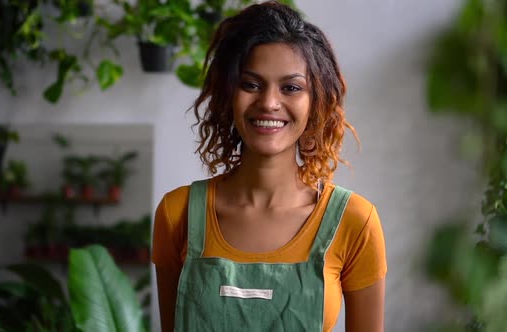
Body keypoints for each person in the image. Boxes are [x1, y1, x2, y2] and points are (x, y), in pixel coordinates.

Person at [152, 1, 387, 331]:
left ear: (316, 102)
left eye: (291, 87)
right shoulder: (176, 214)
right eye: (251, 84)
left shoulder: (354, 222)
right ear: (227, 94)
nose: (269, 103)